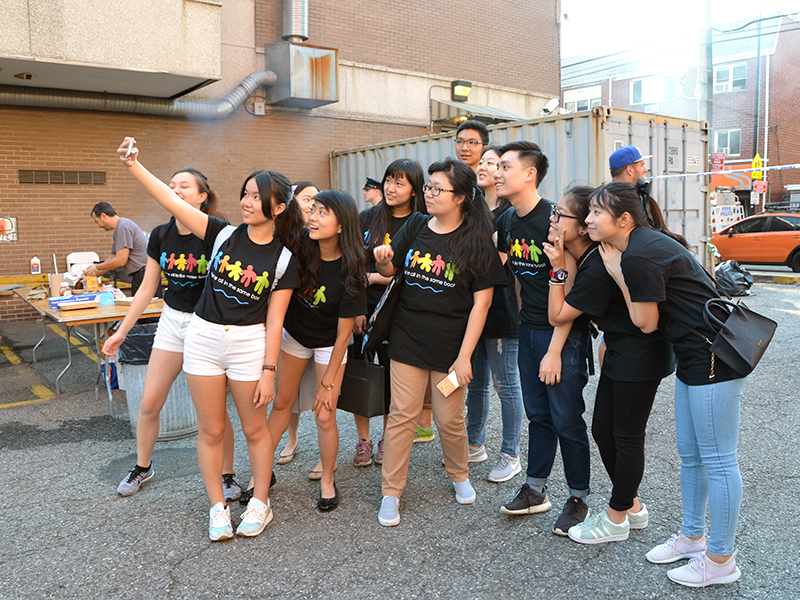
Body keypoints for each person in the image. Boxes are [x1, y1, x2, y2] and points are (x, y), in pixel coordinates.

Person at [117, 137, 303, 541]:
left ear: (279, 207)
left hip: (249, 344)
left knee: (255, 430)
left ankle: (260, 502)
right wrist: (134, 165)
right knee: (212, 429)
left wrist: (270, 371)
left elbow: (275, 321)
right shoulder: (221, 234)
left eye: (257, 197)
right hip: (201, 338)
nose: (248, 202)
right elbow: (172, 202)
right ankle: (217, 507)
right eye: (246, 194)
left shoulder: (285, 258)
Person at [586, 181, 746, 588]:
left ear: (623, 220)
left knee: (719, 459)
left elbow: (645, 322)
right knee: (692, 455)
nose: (588, 219)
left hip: (714, 356)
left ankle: (721, 559)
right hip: (695, 356)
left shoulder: (638, 255)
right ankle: (693, 537)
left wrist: (616, 273)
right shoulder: (643, 245)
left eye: (596, 213)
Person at [373, 157, 506, 527]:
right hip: (407, 340)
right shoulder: (415, 225)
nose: (429, 194)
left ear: (461, 197)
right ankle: (391, 492)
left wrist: (464, 358)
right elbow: (391, 272)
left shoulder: (476, 240)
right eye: (428, 187)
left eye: (437, 189)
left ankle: (458, 473)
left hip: (451, 349)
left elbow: (482, 304)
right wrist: (384, 261)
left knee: (449, 419)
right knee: (402, 416)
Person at [539, 185, 675, 545]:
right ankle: (631, 506)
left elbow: (558, 314)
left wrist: (556, 268)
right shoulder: (590, 256)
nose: (585, 220)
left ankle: (617, 516)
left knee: (626, 437)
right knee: (603, 431)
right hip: (621, 348)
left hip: (640, 353)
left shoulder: (600, 265)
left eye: (563, 215)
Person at [103, 168, 242, 502]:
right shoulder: (161, 235)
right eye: (172, 186)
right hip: (171, 322)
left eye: (184, 186)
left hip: (206, 325)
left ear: (201, 197)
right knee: (149, 403)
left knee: (214, 414)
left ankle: (227, 475)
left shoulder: (216, 233)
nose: (175, 190)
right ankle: (142, 466)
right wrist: (122, 331)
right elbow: (148, 287)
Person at [494, 141, 592, 536]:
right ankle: (535, 489)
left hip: (562, 334)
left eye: (505, 166)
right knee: (539, 416)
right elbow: (512, 275)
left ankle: (578, 497)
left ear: (529, 173)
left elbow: (568, 293)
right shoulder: (507, 221)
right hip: (529, 330)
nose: (497, 173)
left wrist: (553, 350)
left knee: (567, 419)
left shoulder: (555, 220)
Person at [268, 190, 367, 511]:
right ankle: (261, 471)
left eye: (323, 212)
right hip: (295, 336)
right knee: (282, 403)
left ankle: (327, 478)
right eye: (314, 210)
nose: (313, 216)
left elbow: (342, 337)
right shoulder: (298, 247)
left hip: (329, 343)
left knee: (324, 415)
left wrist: (327, 386)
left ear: (341, 225)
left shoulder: (352, 267)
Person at [351, 159, 426, 466]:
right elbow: (353, 266)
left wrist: (377, 277)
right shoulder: (367, 218)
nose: (391, 188)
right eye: (388, 181)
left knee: (394, 378)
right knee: (362, 373)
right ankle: (363, 440)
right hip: (364, 309)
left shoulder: (422, 223)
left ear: (414, 190)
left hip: (401, 312)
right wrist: (356, 308)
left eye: (400, 183)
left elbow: (413, 272)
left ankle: (386, 439)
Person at [465, 146, 524, 482]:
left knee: (506, 383)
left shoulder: (508, 211)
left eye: (495, 163)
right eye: (483, 162)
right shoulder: (472, 208)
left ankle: (510, 453)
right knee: (475, 382)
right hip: (473, 307)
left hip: (502, 307)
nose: (487, 167)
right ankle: (474, 444)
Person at [273, 180, 321, 474]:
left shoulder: (322, 237)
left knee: (321, 394)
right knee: (286, 392)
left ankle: (323, 454)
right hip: (289, 324)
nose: (312, 205)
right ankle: (291, 440)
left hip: (320, 326)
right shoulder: (283, 237)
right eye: (306, 199)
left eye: (317, 201)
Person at [85, 202, 152, 295]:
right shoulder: (120, 228)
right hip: (141, 275)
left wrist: (96, 267)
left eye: (97, 221)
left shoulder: (123, 227)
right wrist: (94, 274)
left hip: (145, 276)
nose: (98, 226)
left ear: (103, 216)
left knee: (147, 308)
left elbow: (120, 261)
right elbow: (112, 258)